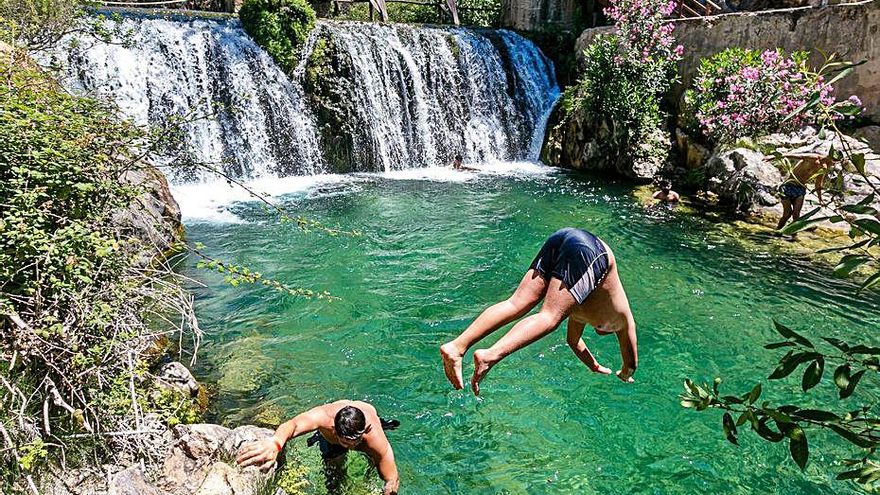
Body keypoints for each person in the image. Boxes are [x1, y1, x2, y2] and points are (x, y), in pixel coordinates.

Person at [440, 227, 638, 395]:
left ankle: (456, 347)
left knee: (517, 303)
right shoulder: (622, 321)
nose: (598, 330)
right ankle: (490, 355)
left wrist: (593, 365)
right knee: (549, 317)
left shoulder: (578, 312)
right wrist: (624, 374)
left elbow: (574, 342)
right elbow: (631, 364)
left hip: (565, 236)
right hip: (592, 251)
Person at [236, 400, 400, 495]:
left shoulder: (373, 436)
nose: (352, 446)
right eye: (347, 442)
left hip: (366, 433)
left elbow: (392, 477)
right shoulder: (323, 418)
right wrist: (275, 442)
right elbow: (293, 425)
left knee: (375, 464)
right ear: (334, 430)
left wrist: (389, 488)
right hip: (333, 439)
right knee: (333, 477)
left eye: (355, 441)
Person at [773, 152, 834, 231]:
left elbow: (818, 184)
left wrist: (820, 199)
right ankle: (777, 231)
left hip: (800, 189)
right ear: (828, 158)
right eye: (831, 162)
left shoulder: (823, 169)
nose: (831, 165)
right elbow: (796, 155)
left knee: (796, 215)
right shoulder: (813, 158)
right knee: (787, 214)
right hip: (788, 187)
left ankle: (793, 236)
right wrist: (774, 156)